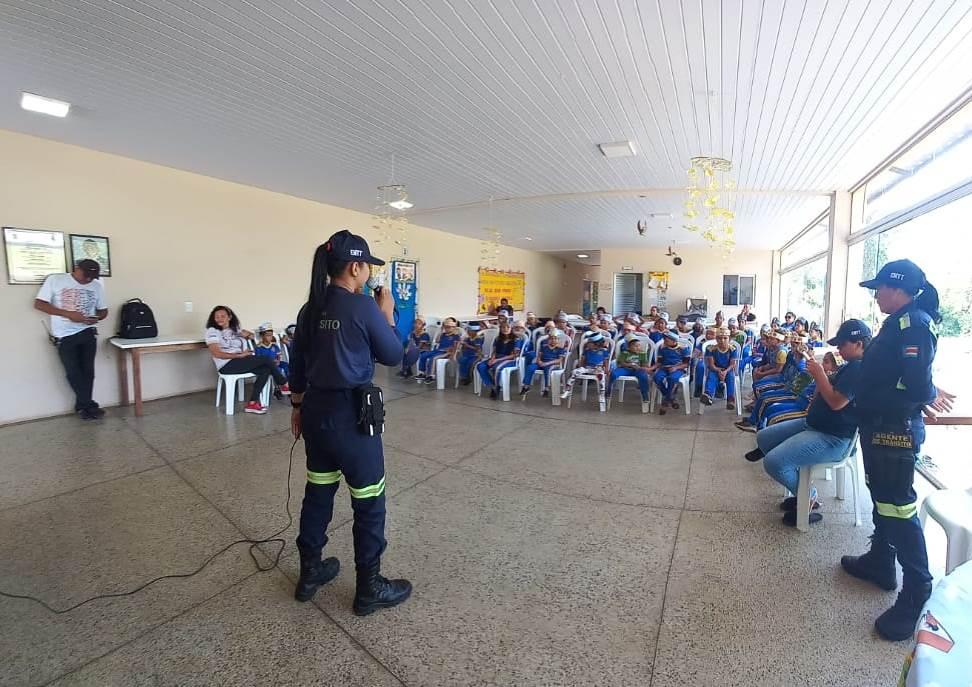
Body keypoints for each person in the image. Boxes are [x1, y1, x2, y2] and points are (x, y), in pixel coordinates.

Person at [289, 229, 411, 615]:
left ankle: (310, 573)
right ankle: (369, 587)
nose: (369, 273)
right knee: (369, 500)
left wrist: (297, 406)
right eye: (367, 266)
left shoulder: (310, 309)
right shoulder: (362, 307)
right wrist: (388, 314)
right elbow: (393, 354)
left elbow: (297, 361)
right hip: (352, 417)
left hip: (315, 413)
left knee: (318, 492)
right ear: (356, 267)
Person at [840, 259, 954, 641]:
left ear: (898, 288)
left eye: (880, 288)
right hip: (880, 426)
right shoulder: (899, 321)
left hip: (895, 431)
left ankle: (917, 590)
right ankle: (881, 561)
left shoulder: (914, 324)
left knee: (898, 509)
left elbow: (918, 386)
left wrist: (926, 392)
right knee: (883, 501)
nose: (875, 295)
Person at [748, 319, 871, 528]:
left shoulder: (859, 369)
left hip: (833, 437)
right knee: (764, 438)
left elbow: (836, 402)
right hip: (814, 424)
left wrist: (820, 374)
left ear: (859, 344)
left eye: (842, 344)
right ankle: (801, 490)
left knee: (774, 462)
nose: (839, 349)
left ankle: (809, 496)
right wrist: (820, 378)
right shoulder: (850, 366)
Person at [33, 259, 109, 420]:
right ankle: (88, 405)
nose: (88, 279)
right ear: (76, 269)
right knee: (73, 372)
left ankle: (84, 407)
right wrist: (68, 314)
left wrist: (95, 318)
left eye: (92, 277)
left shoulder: (96, 286)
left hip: (87, 332)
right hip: (64, 335)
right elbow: (39, 304)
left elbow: (103, 311)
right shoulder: (56, 280)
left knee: (88, 372)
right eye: (85, 275)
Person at [205, 306, 290, 414]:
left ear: (229, 317)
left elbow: (254, 337)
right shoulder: (212, 331)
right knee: (266, 359)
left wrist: (248, 335)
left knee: (265, 369)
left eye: (223, 316)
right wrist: (240, 355)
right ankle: (284, 383)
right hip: (226, 365)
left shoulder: (234, 329)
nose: (219, 319)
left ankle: (252, 403)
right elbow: (217, 353)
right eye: (217, 317)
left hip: (240, 360)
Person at [561, 332, 610, 411]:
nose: (587, 344)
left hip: (598, 368)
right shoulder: (587, 351)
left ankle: (601, 394)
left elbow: (606, 361)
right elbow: (582, 360)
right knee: (574, 372)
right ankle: (567, 389)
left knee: (601, 377)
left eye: (590, 343)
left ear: (596, 344)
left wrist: (606, 369)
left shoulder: (604, 351)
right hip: (587, 367)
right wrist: (580, 367)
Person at [477, 320, 522, 399]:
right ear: (500, 329)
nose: (505, 329)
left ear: (511, 328)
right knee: (481, 366)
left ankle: (496, 387)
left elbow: (515, 355)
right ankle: (492, 386)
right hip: (497, 357)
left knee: (497, 368)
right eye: (503, 327)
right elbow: (494, 351)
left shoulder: (516, 339)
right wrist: (492, 359)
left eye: (508, 327)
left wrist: (497, 360)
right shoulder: (498, 339)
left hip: (509, 359)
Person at [520, 327, 567, 398]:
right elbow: (539, 356)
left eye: (555, 338)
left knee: (547, 369)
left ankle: (546, 388)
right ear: (548, 340)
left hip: (552, 364)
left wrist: (547, 363)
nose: (553, 340)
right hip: (542, 362)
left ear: (558, 340)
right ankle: (526, 386)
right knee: (530, 367)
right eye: (551, 338)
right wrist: (539, 361)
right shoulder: (544, 347)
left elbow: (559, 360)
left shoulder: (560, 349)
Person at [607, 336, 652, 410]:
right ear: (629, 347)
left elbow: (644, 365)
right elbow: (620, 364)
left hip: (637, 370)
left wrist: (641, 366)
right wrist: (630, 365)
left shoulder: (642, 353)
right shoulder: (625, 353)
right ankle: (608, 390)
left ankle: (645, 395)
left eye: (639, 345)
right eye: (635, 346)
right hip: (625, 369)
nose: (638, 347)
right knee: (614, 374)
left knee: (643, 376)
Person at [653, 331, 690, 415]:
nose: (664, 341)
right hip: (664, 368)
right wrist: (651, 368)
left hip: (678, 369)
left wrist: (676, 367)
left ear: (674, 341)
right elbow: (659, 362)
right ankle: (670, 398)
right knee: (656, 377)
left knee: (672, 378)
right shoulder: (662, 348)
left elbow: (686, 364)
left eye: (667, 340)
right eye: (664, 339)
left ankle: (665, 402)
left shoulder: (683, 349)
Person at [701, 328, 738, 410]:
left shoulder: (733, 349)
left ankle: (730, 399)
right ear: (716, 339)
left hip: (728, 370)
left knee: (731, 377)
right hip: (715, 369)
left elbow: (732, 364)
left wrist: (725, 371)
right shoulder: (710, 349)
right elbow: (711, 364)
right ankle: (708, 395)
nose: (722, 340)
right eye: (719, 338)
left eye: (725, 338)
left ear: (729, 338)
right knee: (711, 376)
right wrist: (719, 370)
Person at [415, 317, 460, 384]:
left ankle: (431, 376)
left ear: (454, 328)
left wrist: (452, 354)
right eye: (446, 327)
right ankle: (422, 373)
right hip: (438, 350)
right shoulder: (443, 335)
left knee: (433, 358)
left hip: (446, 352)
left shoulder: (455, 336)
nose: (447, 329)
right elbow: (437, 341)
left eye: (449, 327)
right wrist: (441, 330)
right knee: (423, 355)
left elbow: (456, 346)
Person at [254, 322, 289, 397]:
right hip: (267, 366)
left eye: (271, 335)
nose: (270, 337)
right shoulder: (259, 347)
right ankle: (278, 388)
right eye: (267, 335)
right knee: (278, 370)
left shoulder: (274, 346)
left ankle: (288, 384)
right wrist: (272, 363)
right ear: (262, 336)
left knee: (286, 366)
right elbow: (258, 360)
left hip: (276, 362)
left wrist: (278, 360)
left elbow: (278, 355)